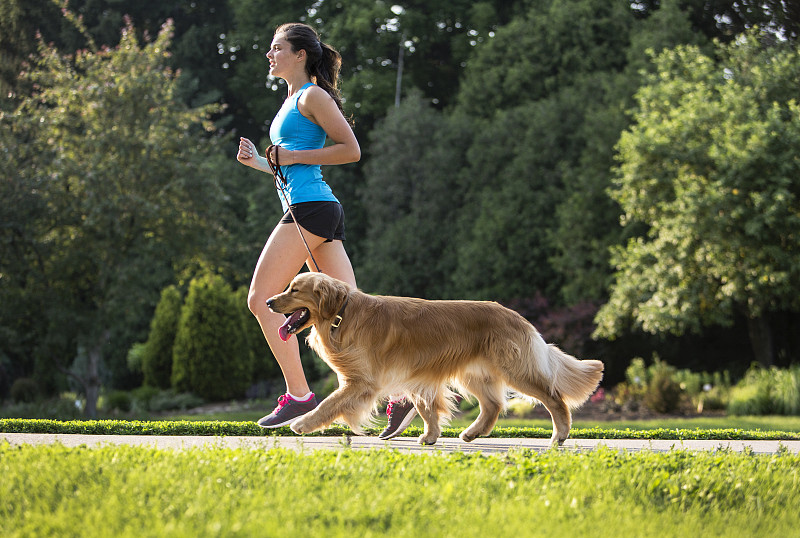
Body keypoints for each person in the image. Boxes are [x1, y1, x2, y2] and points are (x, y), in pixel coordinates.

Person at [237, 22, 416, 438]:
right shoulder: (290, 100)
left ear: (300, 54)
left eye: (277, 47)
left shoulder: (312, 95)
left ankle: (299, 395)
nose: (269, 54)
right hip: (314, 208)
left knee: (261, 299)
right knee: (352, 313)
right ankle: (404, 393)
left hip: (310, 210)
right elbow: (292, 167)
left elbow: (350, 150)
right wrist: (260, 163)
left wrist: (290, 158)